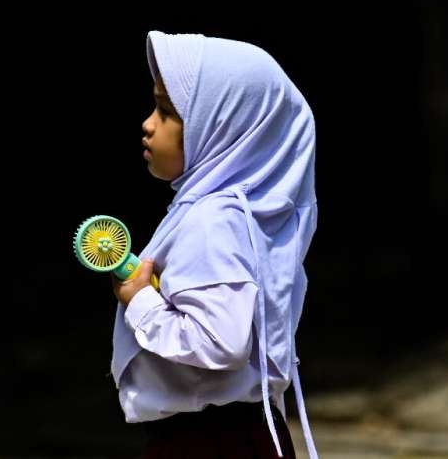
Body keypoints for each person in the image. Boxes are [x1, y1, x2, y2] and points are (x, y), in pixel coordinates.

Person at [109, 30, 319, 458]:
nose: (148, 124)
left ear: (221, 126)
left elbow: (219, 343)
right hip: (234, 433)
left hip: (209, 440)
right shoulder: (238, 216)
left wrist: (141, 303)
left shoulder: (213, 222)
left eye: (167, 112)